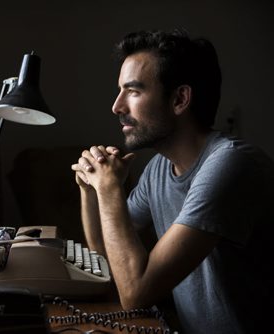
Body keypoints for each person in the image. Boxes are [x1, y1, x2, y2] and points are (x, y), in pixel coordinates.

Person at [71, 29, 274, 334]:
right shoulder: (158, 169)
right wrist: (90, 189)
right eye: (120, 91)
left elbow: (135, 293)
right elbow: (105, 257)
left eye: (134, 91)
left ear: (180, 99)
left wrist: (110, 189)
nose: (117, 106)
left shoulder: (231, 165)